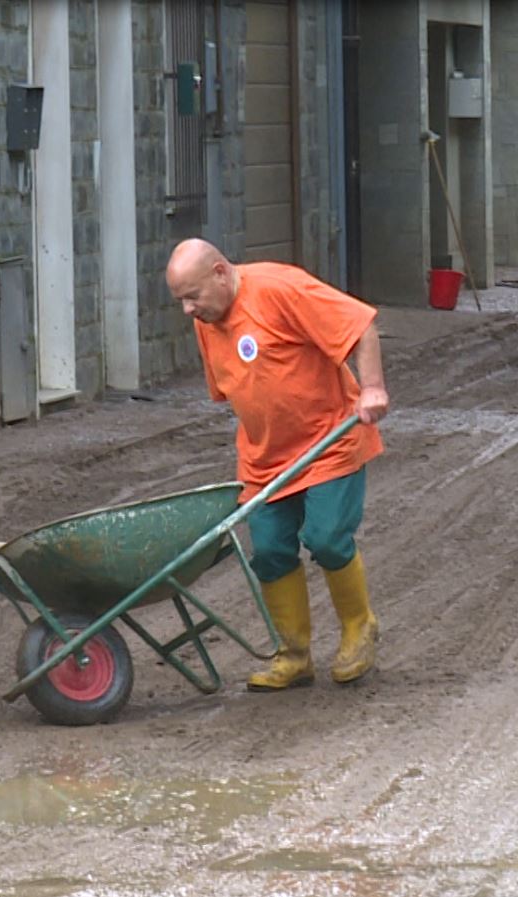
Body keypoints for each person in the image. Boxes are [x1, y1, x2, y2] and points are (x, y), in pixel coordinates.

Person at [164, 239, 389, 690]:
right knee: (269, 551)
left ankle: (359, 629)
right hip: (266, 457)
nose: (187, 309)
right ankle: (294, 655)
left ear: (220, 273)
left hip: (328, 441)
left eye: (193, 296)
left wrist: (373, 388)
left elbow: (360, 325)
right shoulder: (208, 318)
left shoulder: (281, 288)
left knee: (326, 538)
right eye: (180, 300)